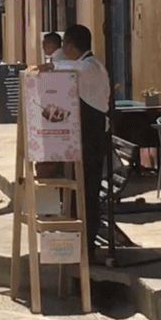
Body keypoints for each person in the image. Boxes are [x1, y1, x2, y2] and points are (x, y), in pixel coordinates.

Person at [45, 24, 110, 262]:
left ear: (71, 46)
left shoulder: (91, 67)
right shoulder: (79, 63)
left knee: (89, 194)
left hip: (93, 139)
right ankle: (78, 241)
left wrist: (51, 64)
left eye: (65, 45)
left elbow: (68, 65)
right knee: (79, 191)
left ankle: (88, 246)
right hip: (82, 138)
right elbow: (61, 60)